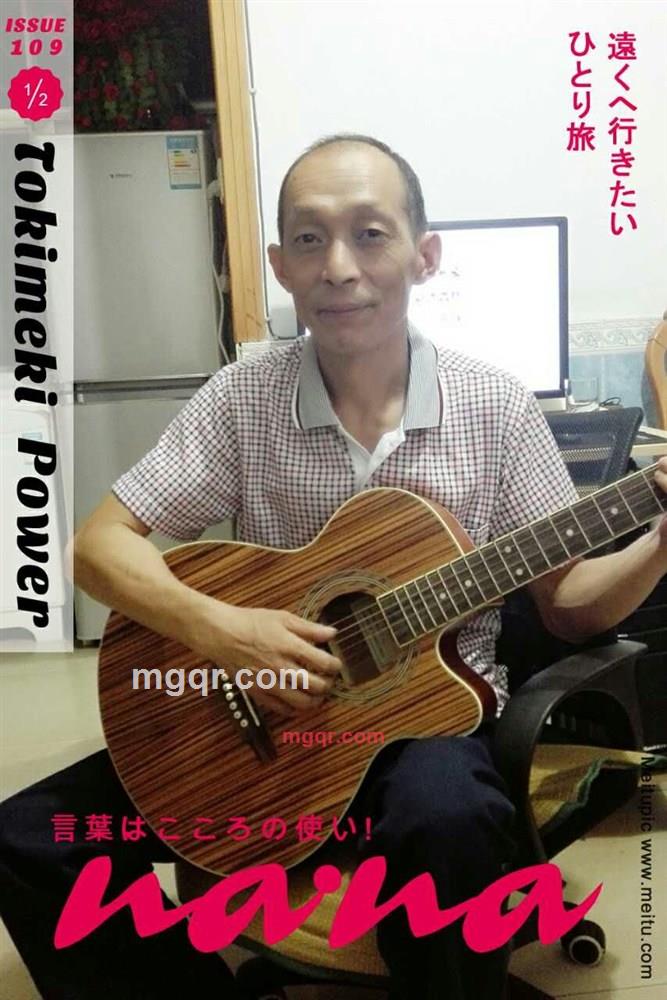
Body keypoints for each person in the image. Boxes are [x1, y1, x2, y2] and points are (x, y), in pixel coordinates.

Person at [2, 133, 666, 1000]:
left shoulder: (495, 406)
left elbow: (569, 605)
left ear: (424, 256)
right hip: (258, 737)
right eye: (310, 239)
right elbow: (98, 546)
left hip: (423, 733)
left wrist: (657, 543)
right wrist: (226, 631)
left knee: (449, 820)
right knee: (31, 837)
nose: (339, 267)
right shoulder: (242, 399)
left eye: (370, 234)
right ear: (280, 265)